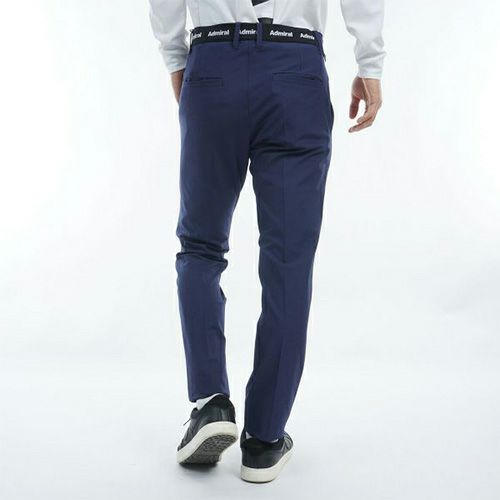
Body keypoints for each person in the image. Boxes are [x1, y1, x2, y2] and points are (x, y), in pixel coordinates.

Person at [149, 0, 385, 483]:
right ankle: (264, 438)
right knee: (289, 259)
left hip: (213, 63)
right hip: (296, 70)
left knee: (200, 246)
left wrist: (176, 58)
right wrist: (370, 62)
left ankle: (211, 404)